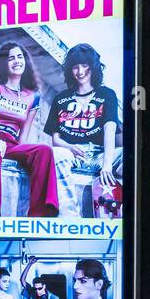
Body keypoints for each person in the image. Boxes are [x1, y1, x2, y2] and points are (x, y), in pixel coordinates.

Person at [0, 42, 60, 217]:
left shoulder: (33, 96)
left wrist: (24, 155)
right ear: (4, 62)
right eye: (11, 58)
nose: (16, 61)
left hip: (10, 143)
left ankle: (40, 213)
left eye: (20, 57)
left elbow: (23, 136)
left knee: (43, 150)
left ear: (25, 61)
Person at [45, 43, 123, 215]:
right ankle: (69, 216)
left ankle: (126, 207)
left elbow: (110, 130)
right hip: (73, 153)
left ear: (93, 67)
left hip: (100, 154)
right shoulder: (60, 98)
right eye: (75, 67)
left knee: (130, 154)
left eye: (85, 66)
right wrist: (69, 147)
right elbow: (55, 140)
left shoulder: (107, 94)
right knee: (56, 154)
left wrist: (107, 165)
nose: (80, 72)